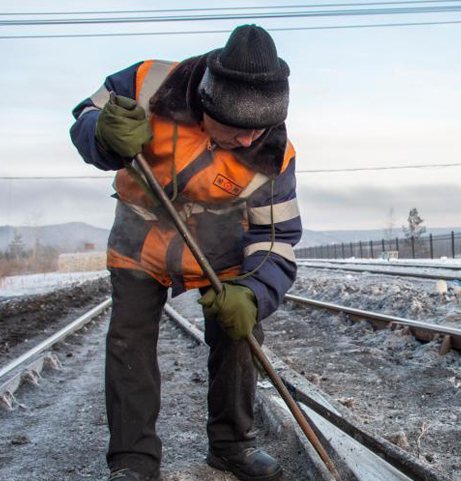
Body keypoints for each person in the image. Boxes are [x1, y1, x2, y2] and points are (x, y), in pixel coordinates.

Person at [69, 25, 300, 481]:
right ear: (207, 106)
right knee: (129, 341)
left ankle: (232, 446)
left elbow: (277, 236)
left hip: (221, 249)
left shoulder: (274, 154)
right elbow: (85, 116)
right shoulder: (148, 83)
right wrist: (102, 134)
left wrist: (254, 292)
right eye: (237, 129)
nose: (249, 141)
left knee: (238, 336)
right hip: (140, 243)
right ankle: (133, 461)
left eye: (259, 129)